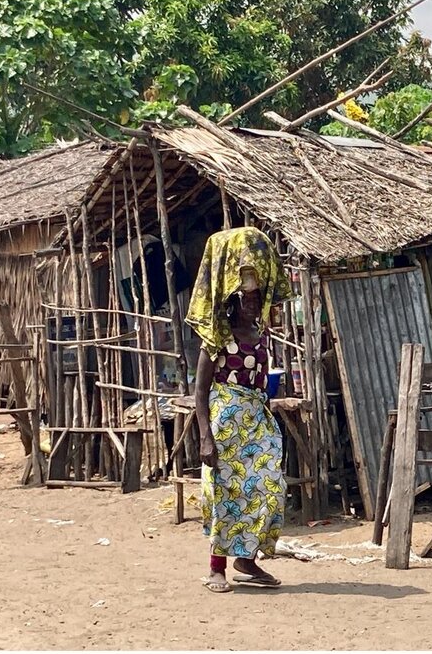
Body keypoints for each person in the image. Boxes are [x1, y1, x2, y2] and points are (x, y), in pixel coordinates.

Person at [185, 227, 294, 593]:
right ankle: (217, 567)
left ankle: (247, 561)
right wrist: (205, 437)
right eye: (245, 299)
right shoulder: (216, 336)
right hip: (225, 422)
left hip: (257, 418)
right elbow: (199, 391)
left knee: (267, 487)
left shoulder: (259, 335)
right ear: (231, 300)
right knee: (223, 493)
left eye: (255, 299)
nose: (250, 304)